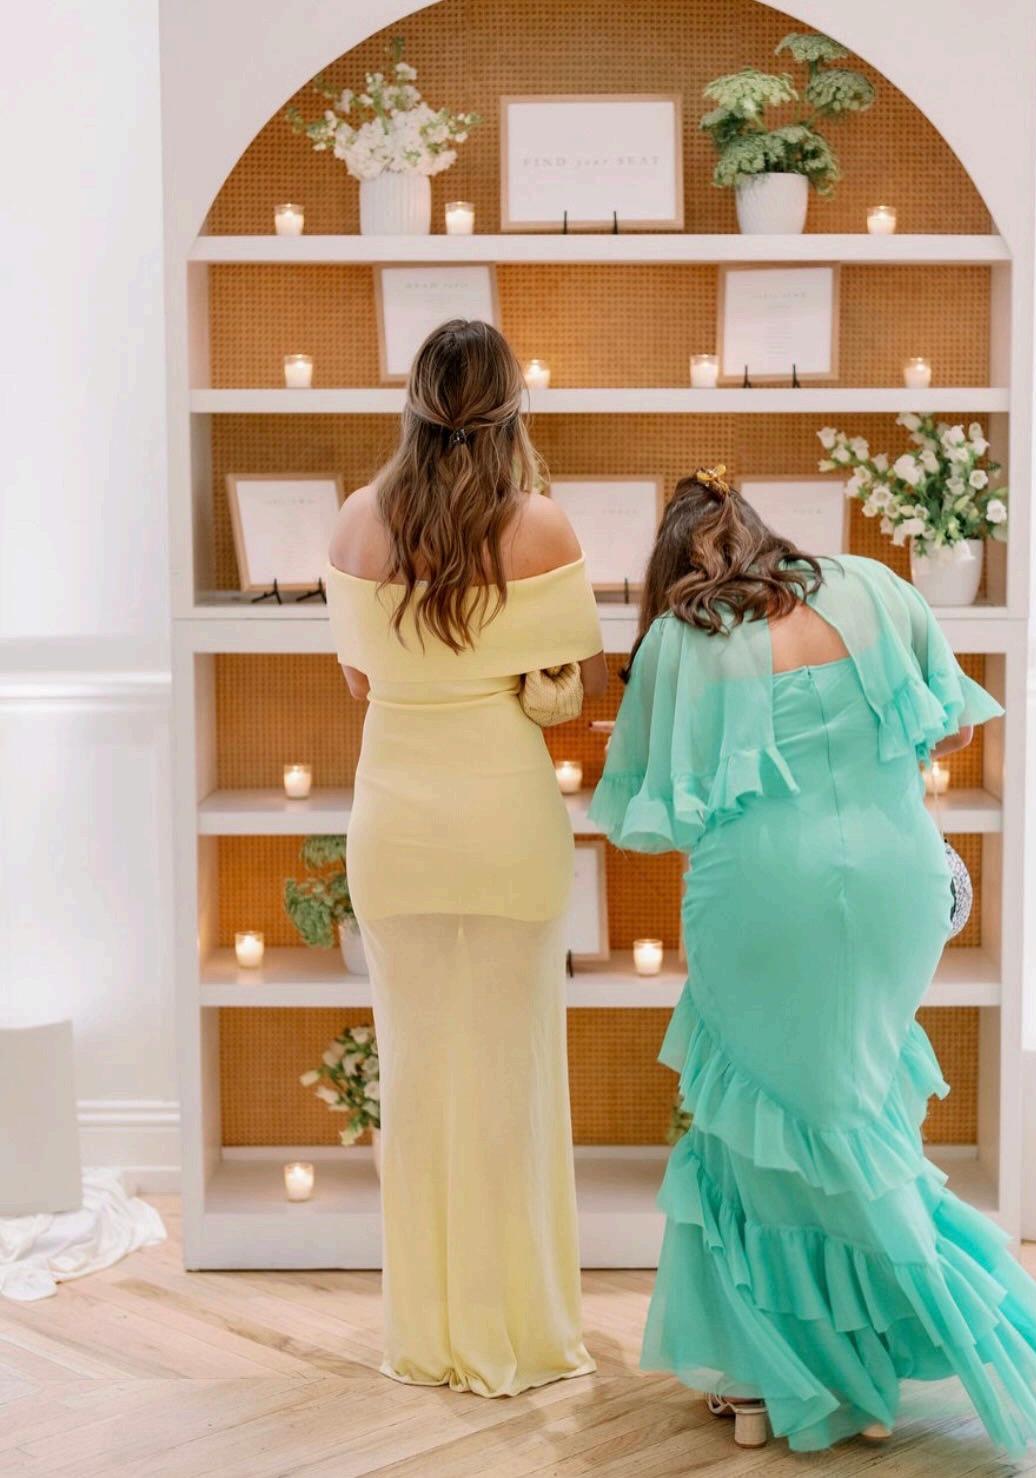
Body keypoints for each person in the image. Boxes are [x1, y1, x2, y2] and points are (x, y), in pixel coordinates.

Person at [590, 467, 1036, 1454]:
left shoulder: (681, 640)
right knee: (857, 1114)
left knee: (756, 1126)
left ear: (675, 568)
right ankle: (853, 1373)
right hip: (898, 886)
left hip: (764, 900)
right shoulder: (873, 583)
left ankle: (769, 1379)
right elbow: (949, 724)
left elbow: (650, 815)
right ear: (761, 533)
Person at [327, 319, 606, 1398]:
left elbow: (360, 682)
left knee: (417, 1079)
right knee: (515, 1081)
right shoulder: (540, 523)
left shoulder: (357, 521)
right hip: (505, 825)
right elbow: (564, 686)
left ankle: (428, 1337)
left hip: (394, 826)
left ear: (411, 402)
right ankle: (519, 1334)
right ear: (511, 407)